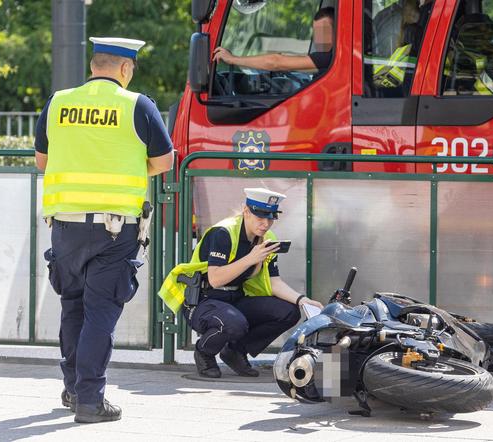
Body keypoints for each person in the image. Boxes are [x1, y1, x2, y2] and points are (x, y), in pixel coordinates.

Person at [34, 37, 174, 423]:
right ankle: (90, 401)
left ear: (94, 66)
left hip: (65, 227)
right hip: (115, 230)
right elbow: (163, 162)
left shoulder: (58, 101)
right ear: (126, 69)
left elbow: (42, 160)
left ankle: (73, 389)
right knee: (100, 313)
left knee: (72, 306)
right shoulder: (137, 104)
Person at [158, 188, 324, 379]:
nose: (266, 224)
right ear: (246, 211)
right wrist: (251, 258)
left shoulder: (267, 239)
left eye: (270, 218)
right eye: (260, 218)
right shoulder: (223, 233)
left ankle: (235, 351)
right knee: (235, 323)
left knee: (288, 312)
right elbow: (215, 278)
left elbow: (274, 282)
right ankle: (204, 352)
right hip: (204, 300)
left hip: (235, 298)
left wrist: (302, 300)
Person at [212, 7, 335, 74]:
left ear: (337, 31)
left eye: (324, 32)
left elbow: (275, 62)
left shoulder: (329, 57)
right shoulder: (326, 59)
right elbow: (296, 62)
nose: (319, 39)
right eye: (317, 32)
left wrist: (233, 59)